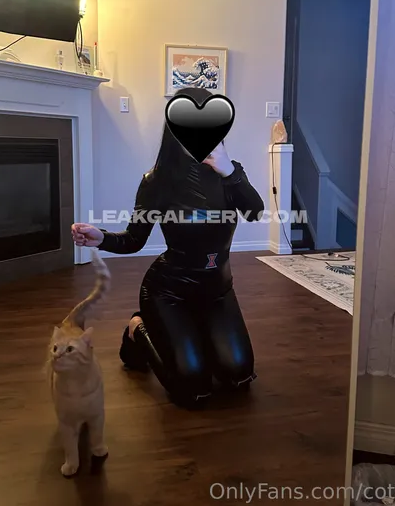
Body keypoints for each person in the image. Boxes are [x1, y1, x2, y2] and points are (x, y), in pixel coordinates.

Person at [71, 87, 265, 406]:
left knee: (239, 375)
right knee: (194, 389)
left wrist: (230, 171)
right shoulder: (157, 182)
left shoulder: (229, 173)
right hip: (169, 293)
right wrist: (102, 237)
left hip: (217, 292)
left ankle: (196, 336)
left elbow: (255, 212)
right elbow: (134, 240)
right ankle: (137, 329)